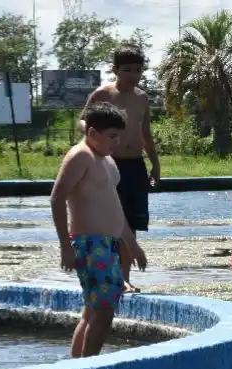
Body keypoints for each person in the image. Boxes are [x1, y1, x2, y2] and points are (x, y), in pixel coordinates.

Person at [50, 102, 148, 359]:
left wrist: (132, 244)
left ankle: (76, 366)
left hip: (108, 244)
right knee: (104, 313)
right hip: (90, 244)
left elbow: (114, 208)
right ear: (93, 133)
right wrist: (65, 246)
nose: (117, 142)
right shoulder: (80, 156)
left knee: (92, 311)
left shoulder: (105, 160)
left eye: (119, 136)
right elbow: (57, 198)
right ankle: (89, 367)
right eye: (112, 136)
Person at [82, 42, 160, 294]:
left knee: (132, 224)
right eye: (127, 70)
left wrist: (155, 163)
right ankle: (108, 274)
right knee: (113, 221)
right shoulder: (102, 94)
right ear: (115, 69)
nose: (132, 76)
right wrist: (93, 138)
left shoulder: (142, 97)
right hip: (111, 164)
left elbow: (146, 132)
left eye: (137, 70)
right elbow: (82, 121)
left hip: (135, 164)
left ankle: (125, 278)